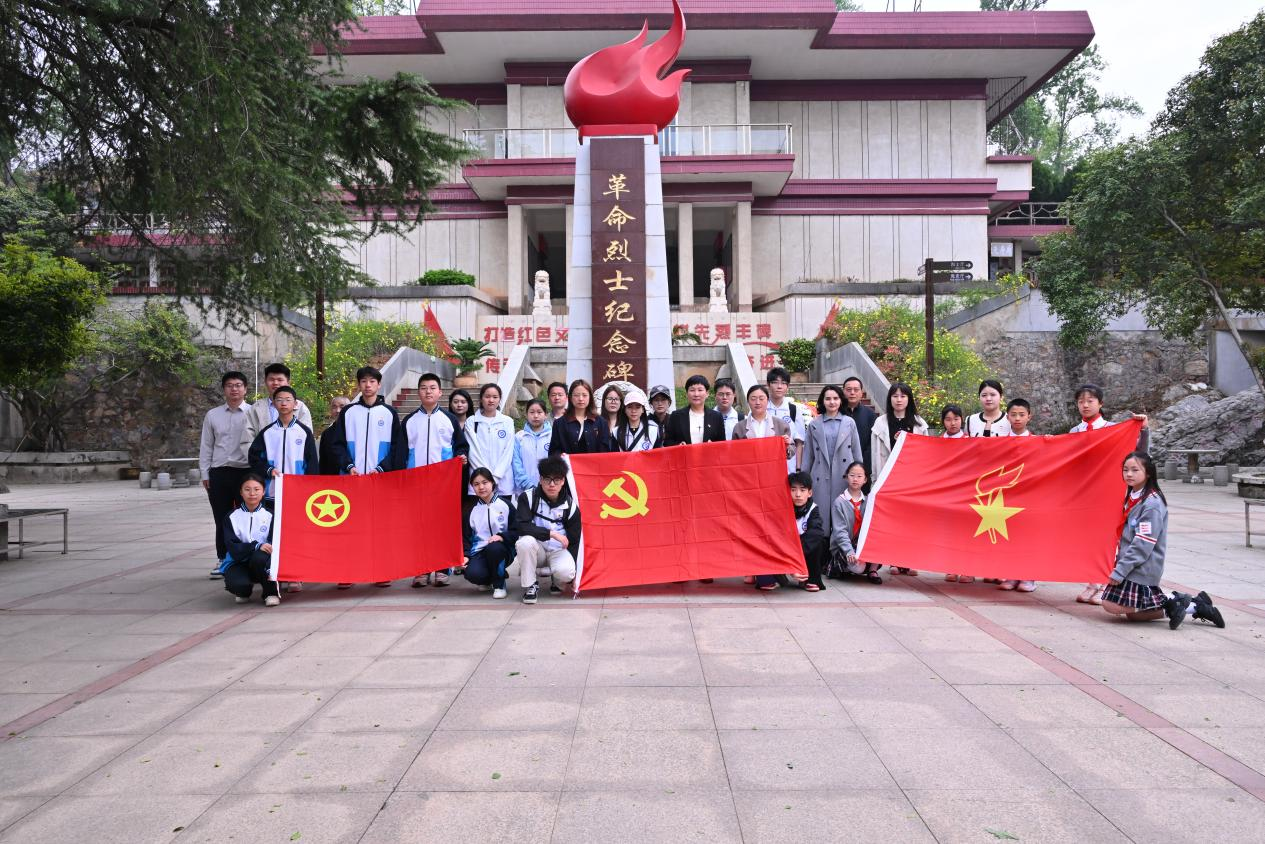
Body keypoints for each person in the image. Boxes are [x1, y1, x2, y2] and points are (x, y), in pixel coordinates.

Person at [1102, 452, 1223, 630]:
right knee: (1134, 615)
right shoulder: (1134, 496)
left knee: (1111, 605)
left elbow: (1143, 544)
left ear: (1148, 473)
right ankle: (1194, 606)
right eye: (1125, 470)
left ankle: (1175, 602)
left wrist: (1120, 570)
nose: (1129, 474)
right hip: (1132, 564)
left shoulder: (1151, 504)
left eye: (1135, 470)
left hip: (1142, 566)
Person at [1071, 383, 1151, 605]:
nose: (1085, 405)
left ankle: (1107, 583)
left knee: (1110, 539)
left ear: (1101, 403)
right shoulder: (1074, 432)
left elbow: (1140, 454)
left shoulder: (1114, 429)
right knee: (1087, 539)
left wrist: (1143, 429)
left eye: (1090, 401)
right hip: (1084, 494)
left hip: (1110, 492)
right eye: (1081, 401)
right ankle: (1092, 581)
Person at [327, 366, 402, 589]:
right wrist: (349, 466)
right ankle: (347, 571)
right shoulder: (348, 413)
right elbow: (337, 445)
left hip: (380, 480)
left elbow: (396, 448)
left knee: (379, 529)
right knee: (350, 527)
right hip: (352, 480)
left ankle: (380, 571)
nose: (367, 385)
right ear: (358, 385)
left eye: (372, 381)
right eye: (363, 381)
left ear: (379, 385)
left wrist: (381, 468)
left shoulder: (389, 413)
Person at [402, 373, 471, 588]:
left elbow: (461, 446)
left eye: (432, 387)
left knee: (442, 526)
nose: (428, 391)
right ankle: (420, 570)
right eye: (424, 388)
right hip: (416, 483)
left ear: (440, 392)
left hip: (443, 484)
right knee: (419, 527)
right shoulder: (409, 421)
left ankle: (442, 569)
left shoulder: (449, 420)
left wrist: (461, 457)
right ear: (418, 392)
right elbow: (401, 452)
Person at [870, 382, 928, 576]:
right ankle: (894, 560)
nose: (899, 399)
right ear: (890, 399)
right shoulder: (881, 424)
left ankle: (910, 560)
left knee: (911, 521)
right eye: (895, 396)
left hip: (912, 480)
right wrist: (876, 480)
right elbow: (876, 454)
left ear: (909, 399)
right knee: (893, 521)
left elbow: (925, 455)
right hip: (889, 478)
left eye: (903, 396)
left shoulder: (919, 424)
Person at [200, 371, 251, 579]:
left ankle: (246, 558)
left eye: (238, 385)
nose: (234, 389)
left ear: (245, 389)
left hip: (245, 472)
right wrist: (205, 473)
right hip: (219, 472)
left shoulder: (253, 413)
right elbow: (206, 445)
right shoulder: (213, 415)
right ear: (224, 389)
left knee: (246, 517)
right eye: (230, 385)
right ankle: (223, 558)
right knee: (221, 518)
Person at [514, 456, 581, 604]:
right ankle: (530, 585)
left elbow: (575, 540)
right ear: (540, 479)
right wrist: (551, 534)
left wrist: (576, 573)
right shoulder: (528, 497)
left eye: (556, 480)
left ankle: (554, 577)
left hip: (559, 550)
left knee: (567, 573)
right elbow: (522, 526)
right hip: (537, 548)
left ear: (563, 481)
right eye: (547, 479)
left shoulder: (571, 505)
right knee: (524, 542)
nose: (552, 484)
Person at [801, 384, 864, 534]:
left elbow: (856, 452)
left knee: (844, 520)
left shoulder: (849, 423)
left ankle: (843, 546)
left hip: (843, 476)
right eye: (828, 398)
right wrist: (804, 481)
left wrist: (859, 476)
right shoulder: (814, 424)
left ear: (841, 400)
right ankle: (822, 545)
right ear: (822, 401)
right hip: (819, 476)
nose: (832, 402)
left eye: (835, 398)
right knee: (821, 519)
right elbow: (808, 454)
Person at [247, 385, 319, 504]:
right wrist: (268, 470)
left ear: (295, 404)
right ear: (274, 404)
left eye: (288, 400)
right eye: (279, 400)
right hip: (271, 491)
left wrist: (311, 488)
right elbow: (254, 458)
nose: (283, 403)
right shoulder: (267, 432)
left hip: (298, 490)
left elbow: (312, 463)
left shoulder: (304, 432)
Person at [756, 472, 826, 592]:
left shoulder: (813, 509)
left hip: (801, 550)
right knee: (764, 539)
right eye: (793, 490)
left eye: (802, 490)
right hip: (782, 548)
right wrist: (790, 564)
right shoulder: (779, 507)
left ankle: (810, 579)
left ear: (809, 493)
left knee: (818, 542)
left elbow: (816, 533)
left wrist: (795, 559)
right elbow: (773, 536)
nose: (797, 494)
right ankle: (769, 576)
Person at [220, 474, 280, 607]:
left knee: (260, 557)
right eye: (247, 489)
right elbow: (231, 545)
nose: (252, 493)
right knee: (238, 585)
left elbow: (274, 542)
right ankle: (244, 590)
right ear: (241, 492)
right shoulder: (231, 517)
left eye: (256, 489)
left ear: (263, 491)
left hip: (262, 560)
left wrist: (262, 548)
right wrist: (255, 546)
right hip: (239, 560)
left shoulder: (271, 515)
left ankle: (270, 593)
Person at [463, 467, 515, 599]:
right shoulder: (471, 510)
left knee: (494, 548)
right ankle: (490, 577)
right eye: (476, 484)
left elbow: (517, 530)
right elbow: (466, 537)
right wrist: (466, 555)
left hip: (503, 549)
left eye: (485, 482)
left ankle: (499, 585)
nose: (481, 487)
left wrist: (502, 537)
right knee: (472, 574)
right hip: (480, 551)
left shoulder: (506, 505)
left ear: (492, 483)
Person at [241, 363, 313, 453]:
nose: (275, 383)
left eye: (280, 380)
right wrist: (259, 459)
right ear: (265, 382)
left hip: (293, 458)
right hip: (263, 459)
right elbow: (247, 441)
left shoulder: (300, 407)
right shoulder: (256, 409)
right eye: (271, 379)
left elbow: (306, 438)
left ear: (288, 382)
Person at [828, 462, 881, 584]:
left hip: (861, 544)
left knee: (880, 538)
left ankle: (872, 570)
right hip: (844, 546)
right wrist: (849, 551)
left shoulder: (868, 501)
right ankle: (845, 567)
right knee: (859, 568)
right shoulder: (839, 502)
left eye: (859, 476)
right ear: (846, 477)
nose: (855, 479)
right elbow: (839, 531)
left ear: (865, 479)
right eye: (852, 475)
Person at [940, 404, 972, 585]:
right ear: (943, 421)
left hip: (966, 492)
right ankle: (951, 567)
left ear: (962, 419)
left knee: (966, 531)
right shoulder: (937, 442)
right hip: (946, 493)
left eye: (956, 419)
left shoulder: (970, 441)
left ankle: (967, 569)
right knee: (949, 531)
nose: (952, 423)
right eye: (948, 419)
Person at [466, 383, 515, 499]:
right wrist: (485, 478)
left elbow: (508, 452)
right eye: (487, 396)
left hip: (503, 481)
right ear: (481, 398)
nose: (491, 400)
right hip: (479, 481)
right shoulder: (472, 421)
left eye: (495, 397)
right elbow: (472, 452)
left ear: (499, 399)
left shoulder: (507, 421)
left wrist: (496, 477)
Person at [549, 379, 612, 455]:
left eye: (584, 395)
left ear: (590, 397)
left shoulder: (601, 422)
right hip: (568, 462)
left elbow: (605, 451)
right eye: (576, 395)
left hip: (594, 462)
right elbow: (554, 451)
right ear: (570, 397)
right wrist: (560, 455)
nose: (581, 399)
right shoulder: (559, 423)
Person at [732, 385, 794, 456]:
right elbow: (734, 452)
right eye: (753, 399)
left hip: (773, 463)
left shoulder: (781, 425)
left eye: (761, 399)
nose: (757, 402)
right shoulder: (739, 427)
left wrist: (787, 446)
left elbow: (791, 450)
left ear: (768, 400)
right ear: (748, 401)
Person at [664, 375, 725, 446]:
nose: (696, 394)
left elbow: (722, 444)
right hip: (684, 453)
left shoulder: (717, 417)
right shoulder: (676, 416)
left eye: (700, 390)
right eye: (692, 390)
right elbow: (667, 442)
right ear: (687, 394)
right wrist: (678, 445)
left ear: (707, 393)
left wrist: (713, 446)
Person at [766, 367, 807, 471]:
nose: (779, 386)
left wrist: (798, 468)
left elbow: (799, 442)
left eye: (783, 383)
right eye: (775, 382)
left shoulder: (793, 410)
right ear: (768, 385)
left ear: (788, 386)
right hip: (766, 465)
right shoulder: (761, 409)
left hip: (789, 467)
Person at [512, 399, 553, 495]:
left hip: (548, 488)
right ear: (526, 415)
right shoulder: (519, 437)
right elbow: (516, 463)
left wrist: (548, 482)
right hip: (524, 490)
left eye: (539, 412)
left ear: (545, 415)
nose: (535, 416)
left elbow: (556, 463)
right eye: (532, 412)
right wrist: (527, 484)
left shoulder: (553, 436)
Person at [841, 377, 878, 477]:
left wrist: (862, 466)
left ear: (861, 393)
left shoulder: (870, 414)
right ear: (843, 392)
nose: (852, 393)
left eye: (856, 390)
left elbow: (872, 443)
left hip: (863, 468)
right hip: (839, 466)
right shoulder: (837, 413)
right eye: (849, 390)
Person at [615, 388, 662, 452]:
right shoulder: (616, 432)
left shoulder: (653, 430)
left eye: (637, 407)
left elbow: (658, 454)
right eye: (629, 407)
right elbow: (614, 456)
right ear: (625, 410)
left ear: (643, 410)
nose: (633, 411)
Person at [318, 396, 351, 475]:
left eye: (342, 407)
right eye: (334, 407)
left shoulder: (356, 431)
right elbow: (323, 461)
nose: (338, 410)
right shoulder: (326, 434)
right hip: (332, 477)